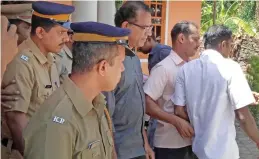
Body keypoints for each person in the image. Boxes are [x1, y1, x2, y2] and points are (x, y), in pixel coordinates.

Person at [23, 21, 130, 159]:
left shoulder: (97, 104)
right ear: (102, 67)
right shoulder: (58, 122)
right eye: (120, 63)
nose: (122, 69)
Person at [172, 25, 259, 159]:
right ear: (223, 44)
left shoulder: (185, 70)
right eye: (230, 46)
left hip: (197, 150)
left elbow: (179, 110)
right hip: (224, 153)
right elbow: (243, 116)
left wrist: (200, 120)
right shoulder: (231, 67)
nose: (231, 50)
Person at [1, 1, 74, 157]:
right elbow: (15, 118)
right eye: (61, 33)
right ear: (40, 32)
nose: (66, 39)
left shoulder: (51, 60)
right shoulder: (21, 61)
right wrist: (33, 153)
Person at [103, 1, 154, 159]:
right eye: (145, 28)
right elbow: (105, 117)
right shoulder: (110, 60)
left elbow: (137, 108)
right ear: (126, 26)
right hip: (120, 151)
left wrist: (145, 143)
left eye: (150, 28)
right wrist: (113, 154)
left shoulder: (133, 58)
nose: (149, 33)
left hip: (137, 148)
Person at [144, 21, 200, 159]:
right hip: (169, 145)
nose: (198, 44)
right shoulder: (164, 68)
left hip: (193, 141)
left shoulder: (193, 67)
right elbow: (147, 103)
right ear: (181, 38)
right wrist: (176, 121)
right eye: (195, 39)